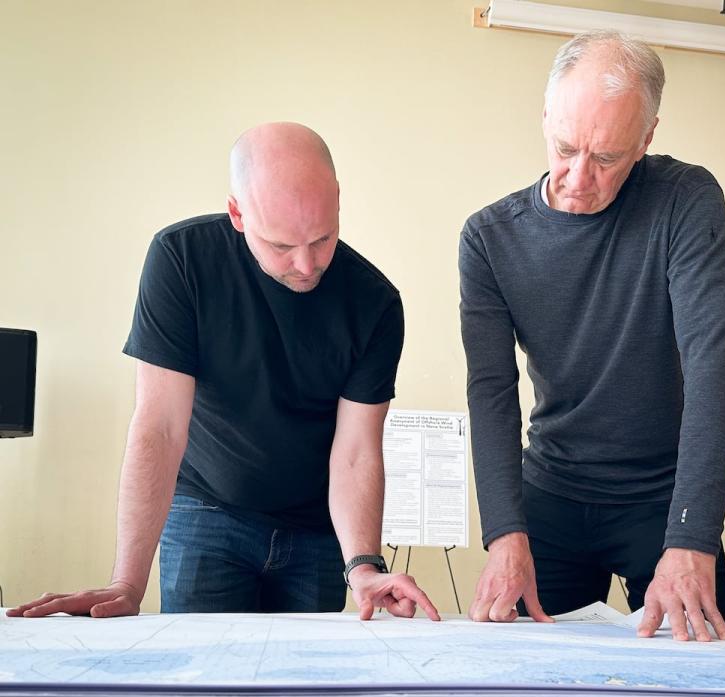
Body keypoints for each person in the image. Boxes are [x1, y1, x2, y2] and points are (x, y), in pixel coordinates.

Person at [8, 122, 439, 621]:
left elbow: (357, 450)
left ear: (338, 199)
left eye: (322, 239)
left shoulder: (375, 304)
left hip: (316, 530)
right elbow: (160, 426)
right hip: (206, 514)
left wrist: (363, 567)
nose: (305, 264)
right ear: (237, 213)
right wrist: (126, 583)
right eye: (280, 246)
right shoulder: (182, 260)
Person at [459, 32, 725, 642]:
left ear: (647, 139)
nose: (578, 178)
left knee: (700, 674)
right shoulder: (488, 239)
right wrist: (504, 534)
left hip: (665, 499)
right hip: (551, 494)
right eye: (564, 148)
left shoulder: (685, 202)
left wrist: (693, 538)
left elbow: (714, 372)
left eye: (608, 158)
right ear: (545, 117)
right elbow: (491, 394)